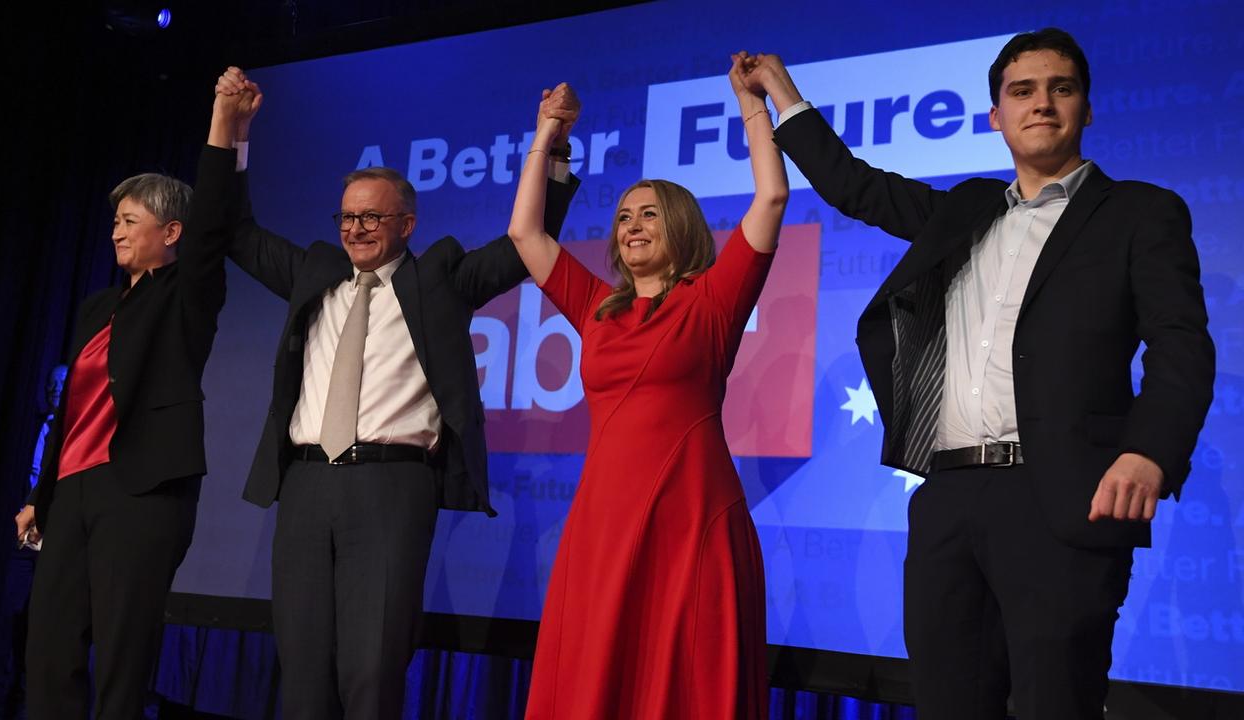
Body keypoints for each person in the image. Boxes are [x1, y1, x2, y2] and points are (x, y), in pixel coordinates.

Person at [741, 28, 1215, 720]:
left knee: (1059, 704)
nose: (1042, 104)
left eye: (1061, 89)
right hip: (951, 497)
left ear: (1087, 107)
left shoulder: (1141, 213)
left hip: (1062, 500)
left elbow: (1182, 346)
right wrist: (781, 94)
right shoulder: (965, 211)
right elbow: (856, 187)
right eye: (1022, 91)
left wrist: (1148, 451)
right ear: (996, 116)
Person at [211, 68, 580, 719]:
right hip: (304, 483)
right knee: (300, 667)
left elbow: (526, 247)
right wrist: (232, 129)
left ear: (407, 223)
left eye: (371, 217)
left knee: (372, 666)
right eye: (347, 217)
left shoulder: (441, 277)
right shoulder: (314, 274)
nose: (355, 230)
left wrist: (550, 142)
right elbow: (235, 231)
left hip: (392, 486)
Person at [508, 58, 787, 718]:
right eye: (625, 216)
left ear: (681, 228)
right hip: (604, 521)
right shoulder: (597, 306)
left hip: (690, 518)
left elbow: (771, 197)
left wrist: (752, 105)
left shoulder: (712, 302)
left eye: (650, 215)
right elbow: (525, 231)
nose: (632, 225)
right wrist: (546, 135)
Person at [12, 75, 257, 719]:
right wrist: (42, 495)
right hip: (75, 490)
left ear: (170, 232)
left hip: (142, 490)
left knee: (123, 652)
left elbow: (211, 226)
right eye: (114, 221)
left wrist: (224, 122)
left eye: (130, 221)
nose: (116, 232)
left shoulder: (186, 294)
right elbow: (70, 411)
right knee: (48, 648)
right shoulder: (97, 305)